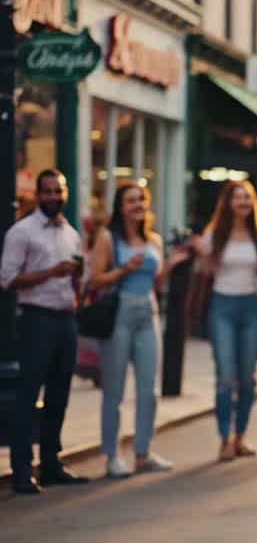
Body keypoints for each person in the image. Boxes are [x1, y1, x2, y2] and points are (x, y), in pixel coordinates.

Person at [90, 182, 190, 477]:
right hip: (119, 310)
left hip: (148, 312)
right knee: (114, 389)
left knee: (149, 390)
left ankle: (143, 452)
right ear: (120, 207)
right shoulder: (108, 238)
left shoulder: (154, 241)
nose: (137, 205)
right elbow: (94, 280)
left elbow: (156, 282)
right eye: (131, 201)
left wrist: (171, 264)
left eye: (141, 200)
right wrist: (124, 270)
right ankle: (112, 456)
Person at [1, 170, 90, 494]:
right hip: (36, 319)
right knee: (28, 395)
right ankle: (22, 469)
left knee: (59, 396)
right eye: (48, 192)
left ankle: (51, 463)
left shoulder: (71, 233)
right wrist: (51, 272)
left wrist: (78, 280)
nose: (54, 197)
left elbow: (77, 277)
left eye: (59, 191)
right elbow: (7, 278)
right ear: (39, 196)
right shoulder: (22, 232)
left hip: (66, 319)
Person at [193, 180, 257, 462]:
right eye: (238, 198)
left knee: (247, 378)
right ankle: (224, 438)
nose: (243, 203)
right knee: (226, 377)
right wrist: (202, 255)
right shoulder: (215, 234)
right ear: (228, 203)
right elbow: (205, 270)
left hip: (252, 307)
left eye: (247, 198)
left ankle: (241, 436)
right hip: (222, 305)